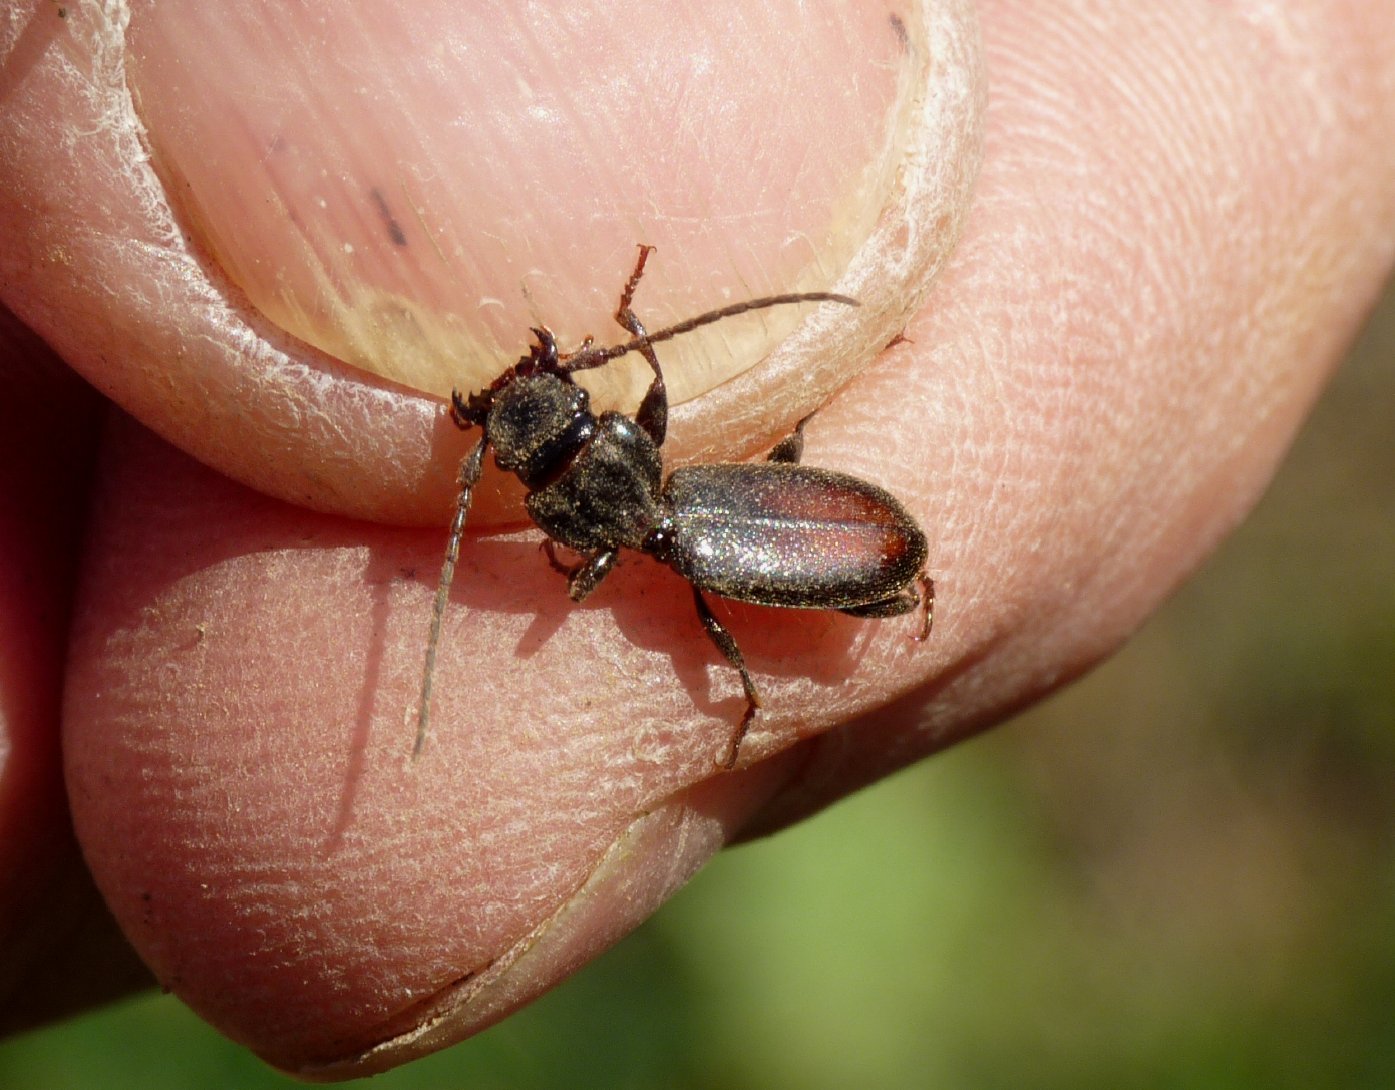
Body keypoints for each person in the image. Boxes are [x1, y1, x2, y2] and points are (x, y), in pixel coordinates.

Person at [1, 0, 1392, 1077]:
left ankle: (766, 654)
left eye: (540, 409)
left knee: (741, 617)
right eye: (538, 413)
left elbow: (580, 523)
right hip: (808, 542)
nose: (534, 408)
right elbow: (620, 414)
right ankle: (764, 656)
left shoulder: (608, 513)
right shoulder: (636, 460)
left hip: (818, 545)